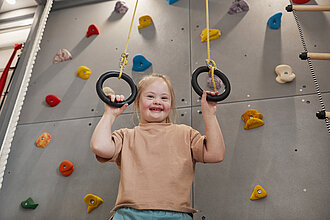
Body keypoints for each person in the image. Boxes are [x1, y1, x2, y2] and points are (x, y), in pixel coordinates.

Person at [90, 73, 225, 220]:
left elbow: (216, 154)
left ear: (171, 104)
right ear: (137, 102)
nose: (157, 101)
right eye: (150, 96)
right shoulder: (126, 136)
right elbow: (99, 146)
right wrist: (109, 114)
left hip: (176, 214)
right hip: (130, 214)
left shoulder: (186, 134)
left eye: (164, 98)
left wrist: (210, 115)